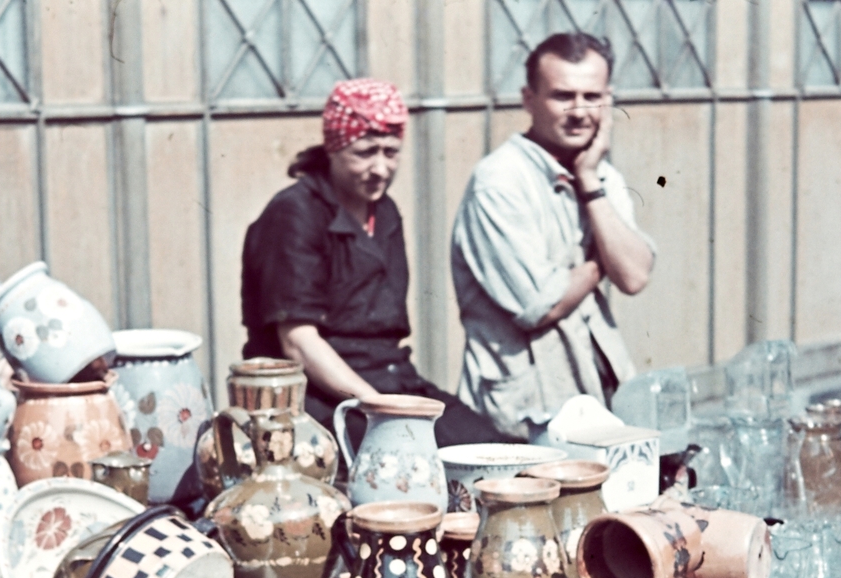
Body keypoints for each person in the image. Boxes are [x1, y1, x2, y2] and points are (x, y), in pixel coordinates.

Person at [240, 79, 508, 446]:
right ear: (333, 149)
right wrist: (377, 406)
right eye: (365, 152)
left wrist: (393, 403)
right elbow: (298, 342)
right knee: (411, 466)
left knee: (494, 453)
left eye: (391, 152)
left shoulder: (384, 212)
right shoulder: (294, 213)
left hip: (394, 379)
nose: (381, 168)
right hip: (318, 395)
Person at [451, 32, 656, 439]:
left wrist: (588, 182)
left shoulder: (598, 174)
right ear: (529, 99)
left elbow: (633, 275)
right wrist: (602, 262)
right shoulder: (499, 181)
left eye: (592, 96)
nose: (580, 111)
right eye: (563, 96)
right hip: (523, 415)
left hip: (595, 396)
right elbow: (539, 303)